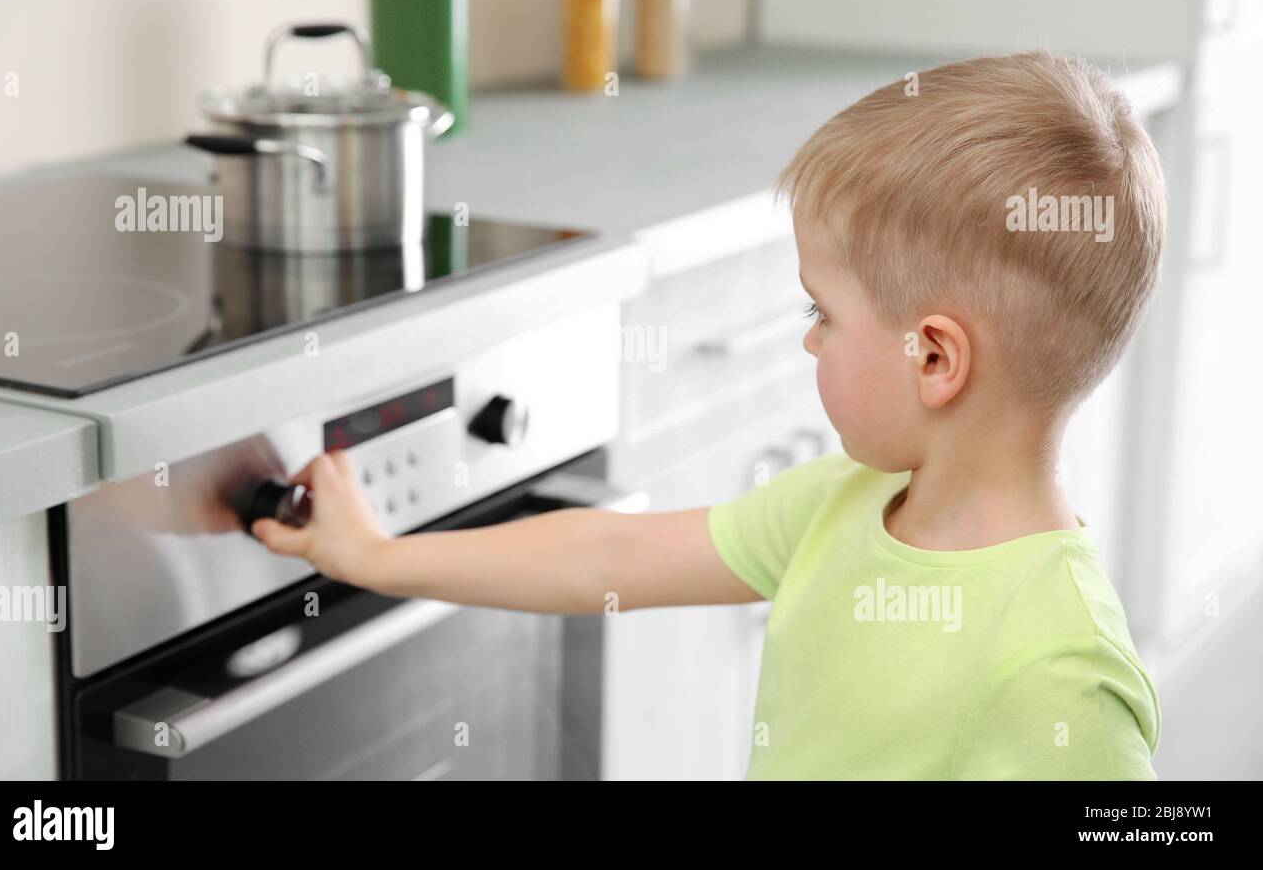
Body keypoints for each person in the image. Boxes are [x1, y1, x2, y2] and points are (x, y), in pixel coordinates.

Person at [255, 50, 1163, 780]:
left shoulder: (1060, 673)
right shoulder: (842, 506)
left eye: (822, 314)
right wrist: (372, 556)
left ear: (932, 358)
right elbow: (603, 556)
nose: (809, 342)